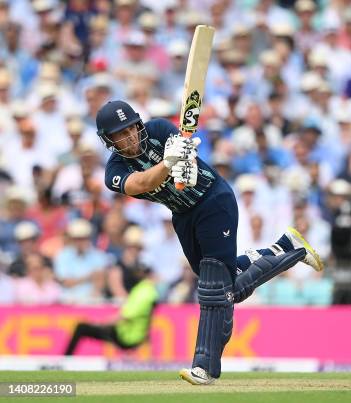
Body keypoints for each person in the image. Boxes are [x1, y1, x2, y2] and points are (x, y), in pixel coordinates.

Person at [96, 100, 323, 384]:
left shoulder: (159, 129)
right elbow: (141, 184)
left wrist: (185, 163)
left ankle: (204, 367)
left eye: (131, 128)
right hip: (183, 216)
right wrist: (168, 164)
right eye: (121, 133)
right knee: (226, 289)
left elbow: (189, 165)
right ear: (109, 140)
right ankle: (287, 248)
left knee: (214, 289)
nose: (130, 136)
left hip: (213, 200)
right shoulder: (114, 170)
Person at [64, 263, 157, 355]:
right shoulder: (146, 290)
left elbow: (125, 316)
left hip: (126, 336)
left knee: (81, 328)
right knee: (85, 328)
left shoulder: (144, 291)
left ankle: (65, 361)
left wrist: (100, 323)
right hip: (132, 334)